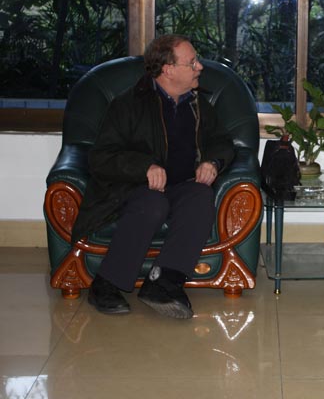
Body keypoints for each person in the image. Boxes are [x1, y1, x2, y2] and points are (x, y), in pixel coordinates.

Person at [70, 34, 234, 319]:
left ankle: (164, 282)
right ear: (168, 70)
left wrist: (213, 162)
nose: (200, 67)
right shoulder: (128, 105)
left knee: (201, 196)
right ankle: (105, 284)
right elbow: (101, 157)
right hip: (133, 188)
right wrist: (144, 167)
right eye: (192, 62)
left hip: (182, 187)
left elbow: (222, 142)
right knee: (154, 203)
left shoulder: (198, 105)